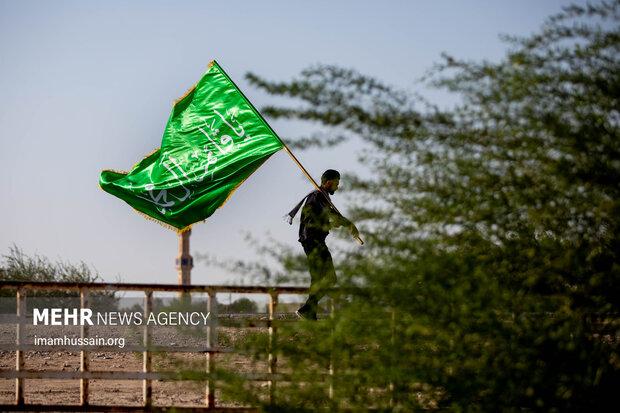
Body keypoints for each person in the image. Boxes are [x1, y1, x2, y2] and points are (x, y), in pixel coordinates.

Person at [285, 169, 360, 320]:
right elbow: (317, 218)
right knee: (330, 278)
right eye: (337, 183)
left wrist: (339, 222)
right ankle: (307, 309)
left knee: (317, 279)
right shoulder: (317, 196)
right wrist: (337, 223)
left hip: (312, 241)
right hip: (313, 241)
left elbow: (330, 215)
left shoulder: (321, 197)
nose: (338, 187)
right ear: (329, 182)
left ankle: (310, 313)